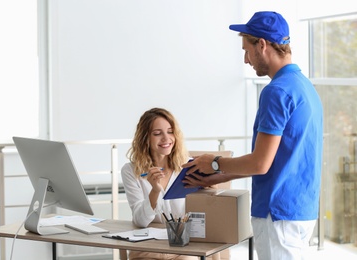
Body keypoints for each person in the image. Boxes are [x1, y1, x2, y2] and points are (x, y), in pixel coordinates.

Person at [182, 11, 323, 260]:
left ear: (262, 44)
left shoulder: (276, 92)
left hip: (276, 215)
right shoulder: (305, 87)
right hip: (300, 210)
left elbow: (260, 163)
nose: (247, 60)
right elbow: (270, 161)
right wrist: (216, 177)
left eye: (246, 51)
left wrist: (214, 162)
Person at [121, 107, 198, 260]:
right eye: (157, 133)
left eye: (170, 132)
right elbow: (140, 221)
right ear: (145, 138)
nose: (166, 138)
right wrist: (154, 191)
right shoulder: (131, 171)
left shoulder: (188, 168)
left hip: (183, 247)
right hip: (147, 248)